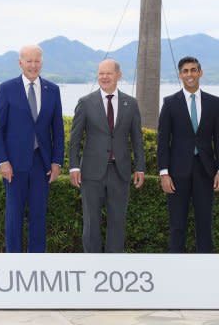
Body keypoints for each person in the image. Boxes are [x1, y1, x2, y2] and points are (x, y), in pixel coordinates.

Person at [0, 45, 64, 253]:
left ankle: (36, 263)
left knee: (39, 216)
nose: (33, 65)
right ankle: (13, 262)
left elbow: (57, 130)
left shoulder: (53, 90)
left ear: (42, 62)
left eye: (37, 61)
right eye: (29, 61)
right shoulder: (6, 89)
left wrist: (57, 161)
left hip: (42, 164)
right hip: (13, 165)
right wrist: (2, 161)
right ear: (20, 62)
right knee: (13, 216)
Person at [69, 58, 145, 253]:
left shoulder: (131, 103)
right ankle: (93, 265)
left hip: (120, 172)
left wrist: (140, 167)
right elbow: (75, 139)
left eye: (108, 73)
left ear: (118, 75)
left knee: (118, 222)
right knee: (91, 222)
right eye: (101, 73)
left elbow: (137, 139)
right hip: (91, 173)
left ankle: (113, 267)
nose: (104, 77)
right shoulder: (85, 103)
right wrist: (74, 166)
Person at [157, 56, 219, 253]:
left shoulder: (214, 103)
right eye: (185, 71)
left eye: (193, 70)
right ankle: (174, 272)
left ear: (200, 73)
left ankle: (206, 274)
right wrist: (164, 173)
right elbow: (162, 141)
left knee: (205, 225)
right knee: (177, 226)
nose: (190, 74)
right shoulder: (170, 103)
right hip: (176, 173)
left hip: (206, 171)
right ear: (180, 75)